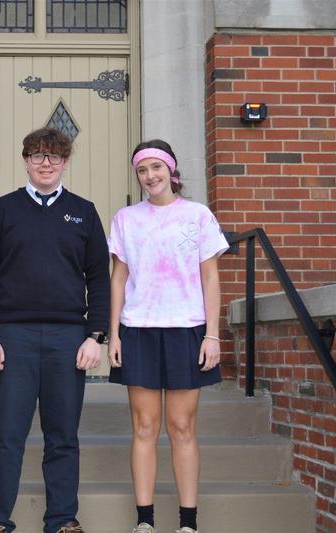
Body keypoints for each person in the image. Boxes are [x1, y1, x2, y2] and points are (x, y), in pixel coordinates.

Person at [0, 127, 111, 533]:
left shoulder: (84, 212)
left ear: (65, 162)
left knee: (63, 435)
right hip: (11, 336)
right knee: (6, 434)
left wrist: (95, 335)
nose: (45, 163)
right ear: (25, 161)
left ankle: (63, 519)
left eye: (53, 156)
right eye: (37, 156)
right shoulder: (3, 211)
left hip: (68, 338)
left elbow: (98, 280)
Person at [107, 139, 230, 533]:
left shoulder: (197, 215)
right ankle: (144, 521)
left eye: (156, 168)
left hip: (186, 330)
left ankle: (187, 523)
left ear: (171, 170)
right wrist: (113, 334)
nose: (150, 176)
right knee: (144, 426)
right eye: (142, 170)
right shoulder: (126, 218)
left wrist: (212, 335)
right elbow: (119, 278)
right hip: (139, 329)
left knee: (181, 427)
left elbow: (210, 276)